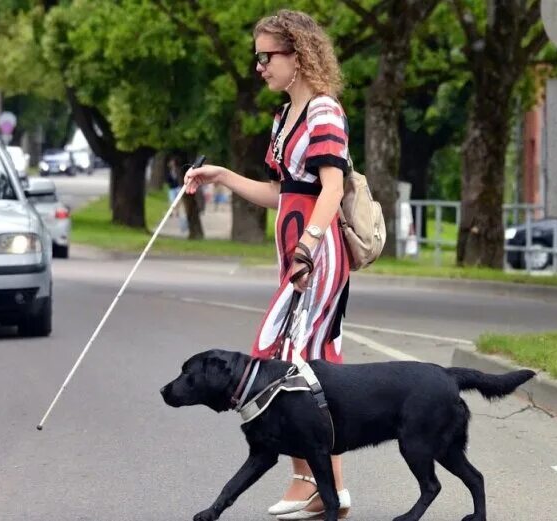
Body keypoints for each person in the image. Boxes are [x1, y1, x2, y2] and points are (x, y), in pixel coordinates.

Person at [184, 9, 351, 520]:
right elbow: (280, 193)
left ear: (297, 56)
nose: (259, 66)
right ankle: (315, 482)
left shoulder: (324, 112)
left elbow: (332, 188)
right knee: (291, 362)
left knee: (299, 365)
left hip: (317, 254)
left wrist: (308, 247)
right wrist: (222, 176)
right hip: (293, 251)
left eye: (266, 56)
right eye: (258, 57)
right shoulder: (284, 119)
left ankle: (325, 484)